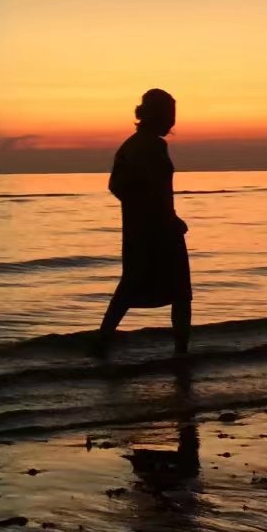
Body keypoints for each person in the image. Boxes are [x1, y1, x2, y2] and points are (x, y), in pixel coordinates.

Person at [96, 88, 193, 357]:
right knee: (178, 293)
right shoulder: (145, 147)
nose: (172, 122)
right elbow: (133, 187)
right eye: (169, 115)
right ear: (154, 115)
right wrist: (163, 217)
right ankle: (181, 352)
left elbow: (119, 185)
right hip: (156, 229)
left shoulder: (136, 145)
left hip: (145, 227)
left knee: (133, 285)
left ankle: (102, 341)